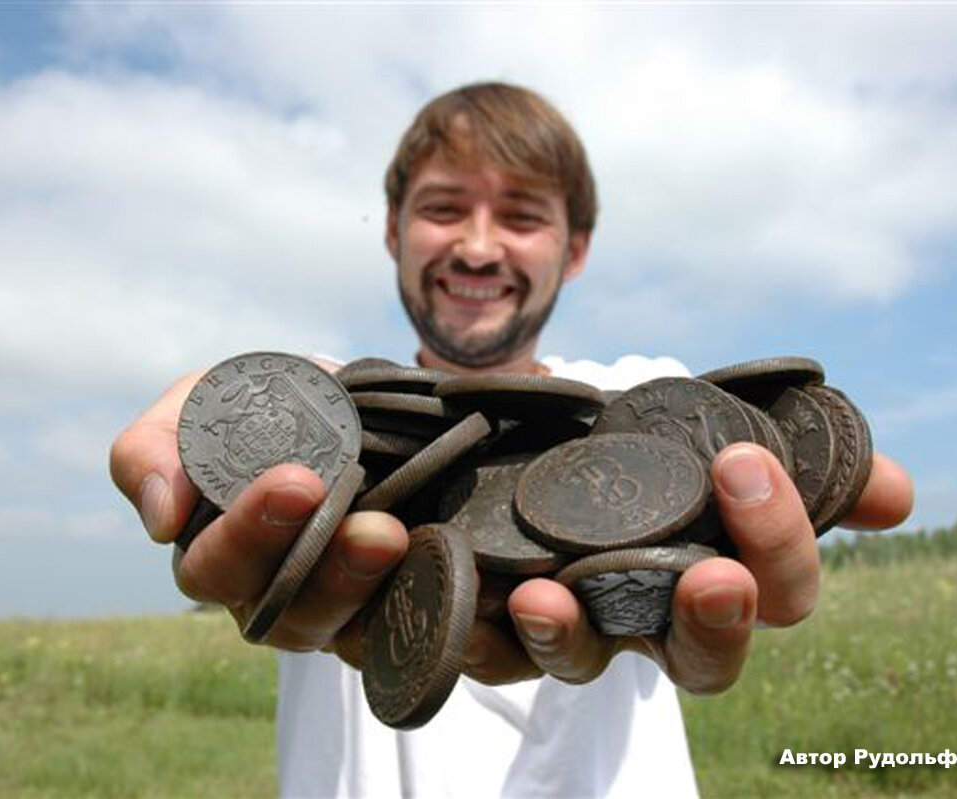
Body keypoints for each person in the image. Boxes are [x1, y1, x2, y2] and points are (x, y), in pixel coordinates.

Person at [110, 82, 913, 797]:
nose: (479, 245)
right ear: (393, 230)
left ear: (577, 247)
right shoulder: (325, 428)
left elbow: (839, 506)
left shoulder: (648, 398)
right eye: (443, 207)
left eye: (523, 215)